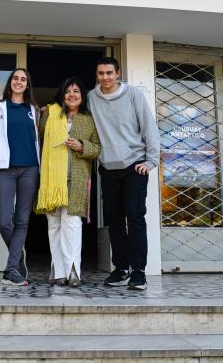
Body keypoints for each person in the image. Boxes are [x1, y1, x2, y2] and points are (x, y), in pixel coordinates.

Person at [88, 57, 160, 291]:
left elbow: (149, 126)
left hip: (134, 166)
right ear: (97, 75)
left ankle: (139, 272)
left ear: (118, 73)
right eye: (101, 73)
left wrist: (150, 160)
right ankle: (121, 269)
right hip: (108, 167)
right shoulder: (91, 97)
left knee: (135, 217)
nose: (105, 77)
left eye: (110, 73)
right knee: (114, 221)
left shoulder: (133, 95)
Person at [36, 77, 101, 287]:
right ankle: (58, 271)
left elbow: (97, 148)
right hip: (52, 181)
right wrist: (41, 112)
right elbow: (38, 136)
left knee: (72, 225)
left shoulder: (89, 119)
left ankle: (73, 270)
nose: (72, 95)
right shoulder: (51, 114)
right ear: (62, 95)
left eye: (76, 91)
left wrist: (82, 146)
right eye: (67, 91)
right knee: (53, 225)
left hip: (77, 179)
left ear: (82, 97)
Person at [0, 68, 41, 286]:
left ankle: (11, 269)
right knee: (3, 221)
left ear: (27, 85)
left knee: (22, 221)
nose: (19, 82)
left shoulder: (35, 110)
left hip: (30, 169)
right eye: (15, 78)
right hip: (4, 169)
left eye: (23, 79)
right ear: (10, 82)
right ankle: (18, 258)